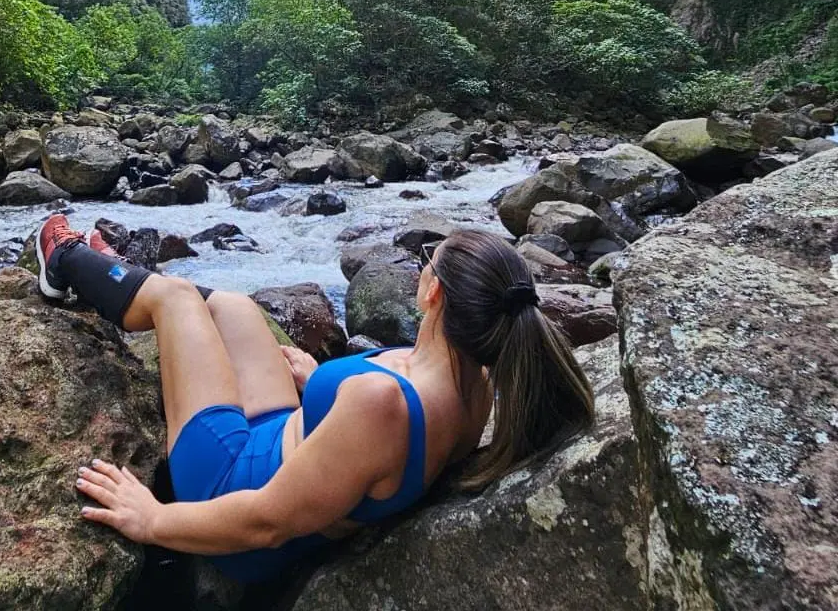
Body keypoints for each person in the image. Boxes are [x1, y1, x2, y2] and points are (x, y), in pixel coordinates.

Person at [35, 215, 594, 583]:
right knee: (232, 306)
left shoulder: (382, 404)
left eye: (428, 258)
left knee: (178, 299)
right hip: (285, 442)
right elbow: (367, 452)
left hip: (229, 486)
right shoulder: (478, 383)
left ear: (434, 291)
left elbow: (266, 523)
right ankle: (117, 275)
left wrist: (153, 520)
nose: (421, 266)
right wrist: (320, 379)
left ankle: (62, 263)